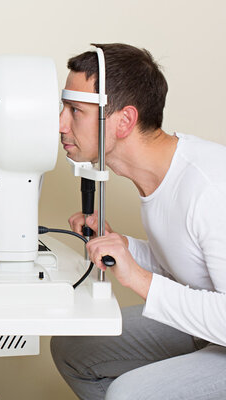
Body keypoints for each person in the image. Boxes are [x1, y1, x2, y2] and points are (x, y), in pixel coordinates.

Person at [51, 43, 226, 399]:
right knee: (73, 350)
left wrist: (140, 279)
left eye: (75, 110)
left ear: (124, 121)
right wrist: (124, 247)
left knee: (129, 393)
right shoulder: (157, 176)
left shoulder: (209, 189)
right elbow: (191, 265)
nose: (60, 124)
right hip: (206, 330)